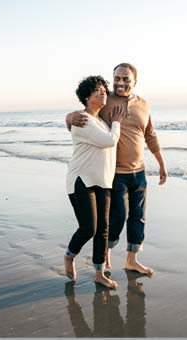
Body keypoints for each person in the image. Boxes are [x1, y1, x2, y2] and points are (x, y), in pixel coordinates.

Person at [66, 63, 167, 275]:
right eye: (117, 78)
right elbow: (86, 115)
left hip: (138, 171)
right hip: (115, 174)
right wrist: (68, 117)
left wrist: (161, 163)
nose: (120, 83)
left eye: (125, 79)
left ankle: (132, 260)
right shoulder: (106, 100)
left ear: (134, 81)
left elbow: (150, 134)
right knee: (118, 217)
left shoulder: (144, 104)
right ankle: (106, 253)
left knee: (138, 217)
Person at [65, 75, 126, 288]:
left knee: (103, 229)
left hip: (104, 181)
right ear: (86, 97)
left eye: (103, 89)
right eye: (97, 90)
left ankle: (99, 273)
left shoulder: (100, 121)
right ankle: (70, 255)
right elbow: (109, 141)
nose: (102, 93)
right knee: (89, 228)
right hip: (81, 180)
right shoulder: (82, 120)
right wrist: (117, 122)